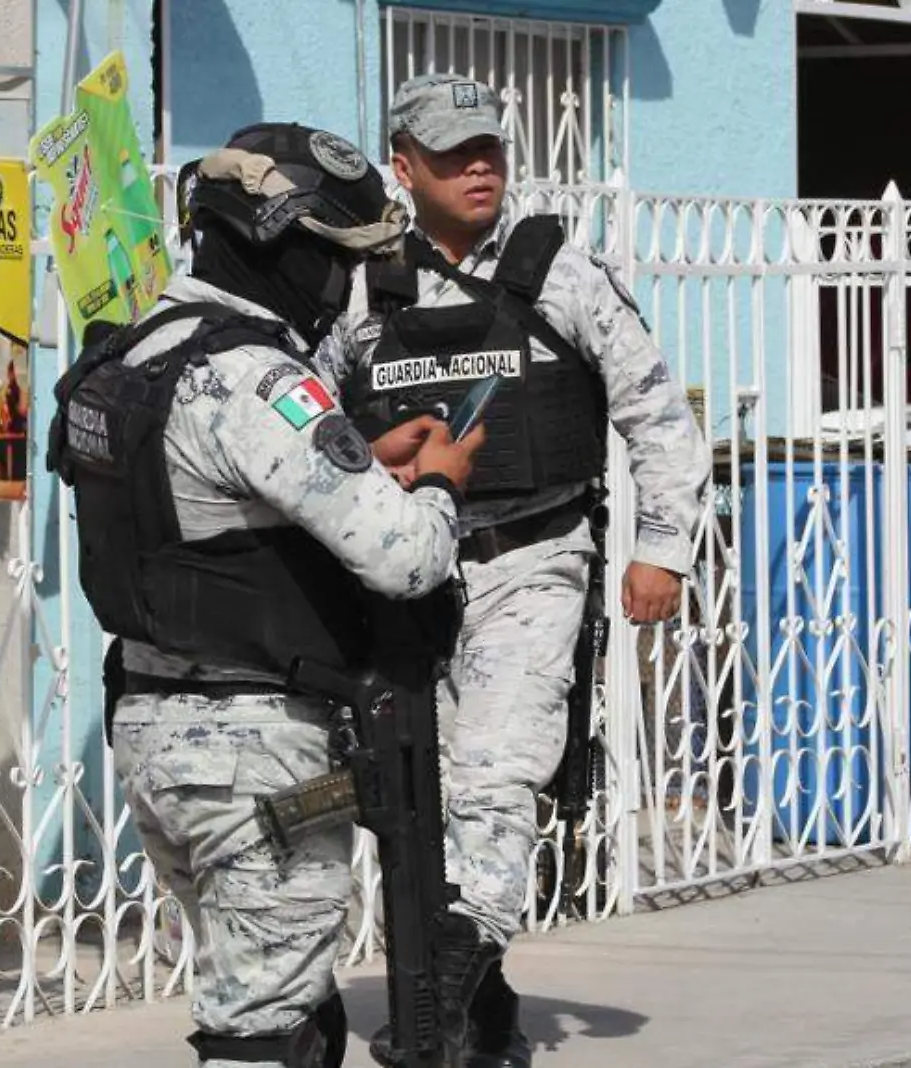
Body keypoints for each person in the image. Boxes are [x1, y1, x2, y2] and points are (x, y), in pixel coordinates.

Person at [47, 121, 487, 1068]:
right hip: (256, 751)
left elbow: (209, 516)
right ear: (283, 248)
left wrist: (365, 462)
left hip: (159, 733)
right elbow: (407, 559)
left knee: (284, 1003)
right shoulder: (257, 378)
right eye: (338, 259)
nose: (347, 284)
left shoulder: (133, 353)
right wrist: (444, 481)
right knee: (266, 1029)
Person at [315, 74, 713, 1068]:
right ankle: (479, 1012)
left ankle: (432, 1007)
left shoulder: (560, 272)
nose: (480, 166)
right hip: (402, 582)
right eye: (453, 154)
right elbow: (309, 426)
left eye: (489, 147)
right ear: (403, 167)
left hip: (532, 560)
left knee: (498, 784)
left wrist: (661, 549)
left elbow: (657, 419)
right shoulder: (363, 290)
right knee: (412, 802)